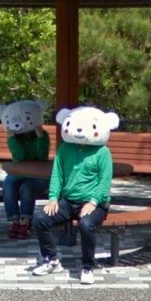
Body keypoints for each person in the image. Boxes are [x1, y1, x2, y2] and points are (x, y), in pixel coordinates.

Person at [31, 106, 119, 285]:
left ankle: (87, 266)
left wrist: (93, 202)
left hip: (95, 203)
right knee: (40, 219)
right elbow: (57, 174)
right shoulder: (65, 149)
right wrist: (53, 198)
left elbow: (105, 182)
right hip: (68, 201)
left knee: (86, 225)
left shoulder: (102, 152)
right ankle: (51, 260)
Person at [0, 100, 50, 239]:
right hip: (18, 171)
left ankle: (25, 222)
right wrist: (12, 139)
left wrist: (40, 137)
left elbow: (41, 155)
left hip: (38, 174)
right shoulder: (14, 138)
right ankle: (14, 220)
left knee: (27, 188)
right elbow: (19, 156)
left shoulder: (43, 135)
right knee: (8, 185)